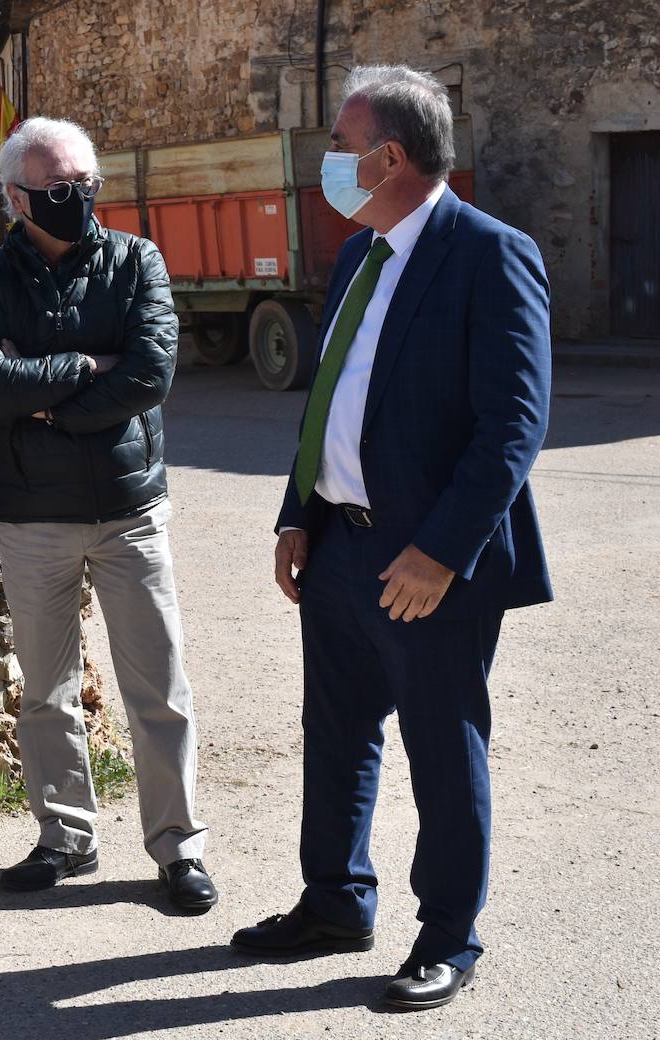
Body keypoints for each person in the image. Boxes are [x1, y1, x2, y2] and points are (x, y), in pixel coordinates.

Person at [230, 66, 552, 1010]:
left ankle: (450, 935)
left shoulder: (488, 253)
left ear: (391, 157)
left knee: (442, 746)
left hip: (429, 564)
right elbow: (329, 400)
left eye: (339, 145)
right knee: (335, 735)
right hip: (339, 547)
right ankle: (335, 900)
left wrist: (443, 553)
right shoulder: (359, 256)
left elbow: (513, 426)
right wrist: (299, 512)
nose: (328, 161)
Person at [0, 117, 216, 912]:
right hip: (34, 516)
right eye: (58, 189)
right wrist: (80, 367)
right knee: (45, 691)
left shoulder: (137, 260)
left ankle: (177, 849)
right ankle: (66, 837)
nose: (77, 199)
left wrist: (51, 410)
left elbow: (148, 375)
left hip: (128, 510)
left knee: (159, 689)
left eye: (85, 185)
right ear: (16, 195)